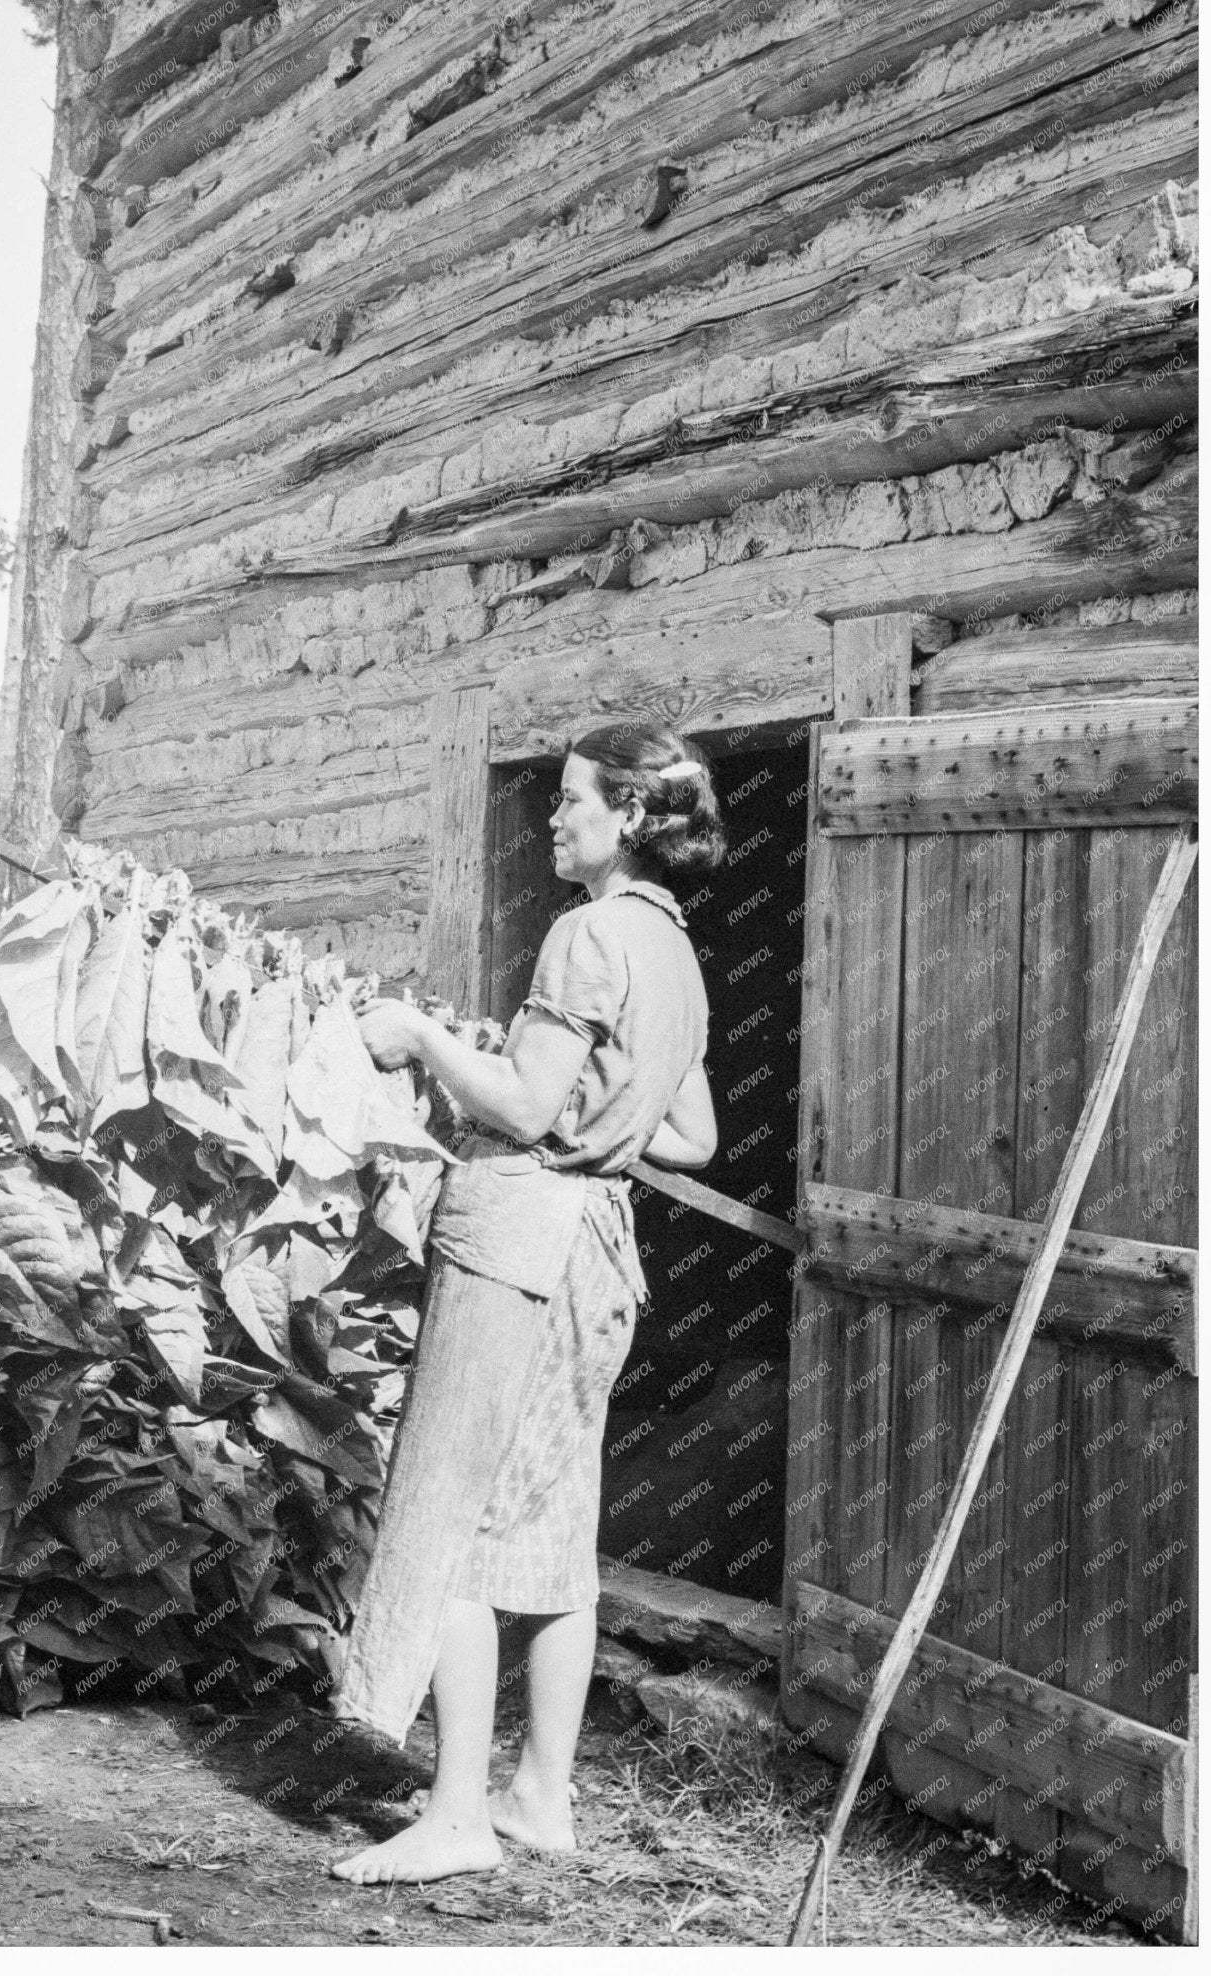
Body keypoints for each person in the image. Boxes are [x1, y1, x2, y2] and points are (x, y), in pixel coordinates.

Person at [330, 716, 727, 1885]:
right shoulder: (674, 950)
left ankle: (453, 1813)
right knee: (552, 1535)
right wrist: (586, 1111)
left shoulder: (587, 930)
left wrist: (420, 1040)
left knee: (454, 1521)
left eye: (571, 801)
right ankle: (540, 1792)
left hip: (520, 1237)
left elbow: (509, 1106)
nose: (552, 818)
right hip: (599, 1253)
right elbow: (692, 1137)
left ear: (632, 817)